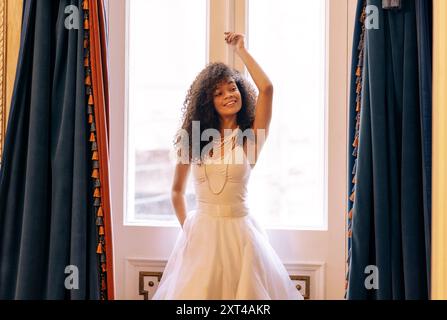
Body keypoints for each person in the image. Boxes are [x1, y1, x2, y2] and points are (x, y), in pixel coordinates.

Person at [152, 32, 303, 300]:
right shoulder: (195, 137)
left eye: (233, 88)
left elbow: (267, 89)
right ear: (208, 102)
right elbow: (176, 192)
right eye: (219, 93)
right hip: (201, 237)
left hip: (241, 237)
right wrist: (189, 229)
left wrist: (241, 51)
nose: (228, 95)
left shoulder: (250, 139)